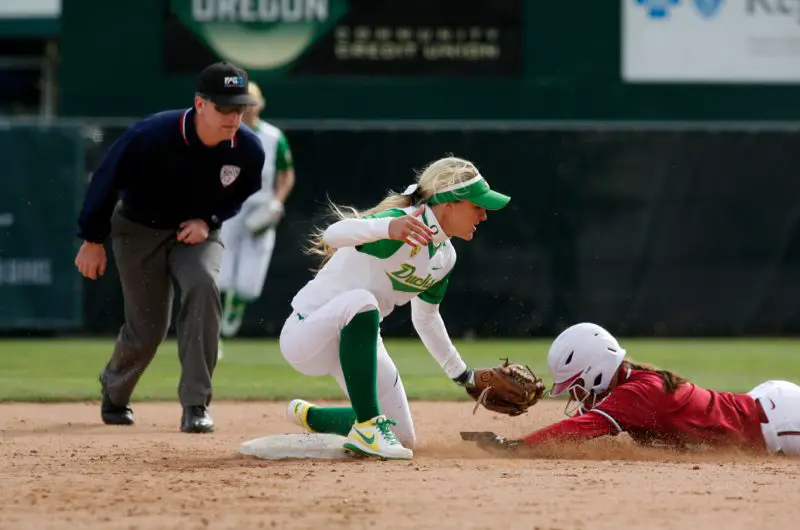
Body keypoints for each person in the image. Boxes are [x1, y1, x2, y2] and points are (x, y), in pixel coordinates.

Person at [74, 62, 266, 433]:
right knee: (148, 328)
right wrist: (92, 238)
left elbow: (241, 193)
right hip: (138, 229)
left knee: (203, 286)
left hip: (197, 233)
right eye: (224, 108)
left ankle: (196, 403)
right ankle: (115, 389)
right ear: (200, 103)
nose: (233, 117)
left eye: (240, 109)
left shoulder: (247, 148)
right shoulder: (151, 135)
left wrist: (209, 219)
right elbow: (106, 180)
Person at [281, 156, 511, 460]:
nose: (484, 215)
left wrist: (463, 375)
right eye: (477, 205)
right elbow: (332, 235)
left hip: (357, 345)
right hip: (307, 334)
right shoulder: (404, 222)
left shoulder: (445, 257)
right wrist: (387, 227)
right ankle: (367, 428)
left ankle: (312, 416)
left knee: (403, 438)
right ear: (449, 204)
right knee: (363, 300)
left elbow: (426, 318)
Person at [467, 322, 800, 456]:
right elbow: (581, 421)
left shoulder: (637, 393)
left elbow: (579, 428)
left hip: (779, 422)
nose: (575, 395)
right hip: (764, 406)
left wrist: (518, 446)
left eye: (577, 385)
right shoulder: (626, 385)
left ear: (597, 370)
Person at [217, 81, 295, 349]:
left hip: (260, 206)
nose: (247, 108)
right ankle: (215, 322)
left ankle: (236, 305)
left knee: (249, 286)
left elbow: (286, 174)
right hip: (231, 206)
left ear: (260, 105)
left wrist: (276, 201)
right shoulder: (225, 133)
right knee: (222, 274)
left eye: (251, 103)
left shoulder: (273, 137)